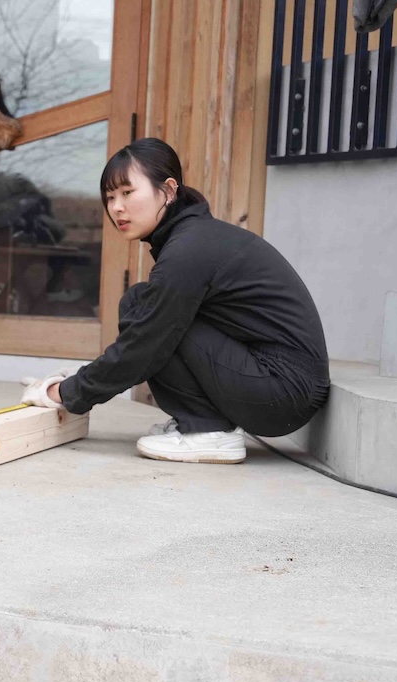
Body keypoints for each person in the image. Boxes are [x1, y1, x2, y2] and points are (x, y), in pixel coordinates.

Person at [20, 138, 329, 464]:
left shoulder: (189, 250)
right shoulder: (193, 239)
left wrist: (66, 393)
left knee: (149, 316)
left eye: (127, 193)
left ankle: (208, 432)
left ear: (168, 191)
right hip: (279, 385)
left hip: (284, 393)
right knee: (143, 303)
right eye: (109, 197)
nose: (116, 207)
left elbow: (144, 345)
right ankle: (201, 422)